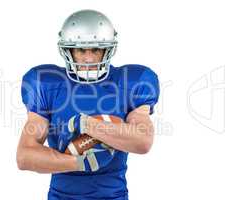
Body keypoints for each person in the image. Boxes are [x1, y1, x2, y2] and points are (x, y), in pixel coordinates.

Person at [17, 9, 160, 200]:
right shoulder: (45, 82)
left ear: (107, 49)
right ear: (68, 50)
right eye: (81, 49)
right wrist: (78, 162)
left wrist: (86, 124)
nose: (89, 58)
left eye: (96, 49)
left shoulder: (130, 81)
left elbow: (143, 141)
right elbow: (25, 156)